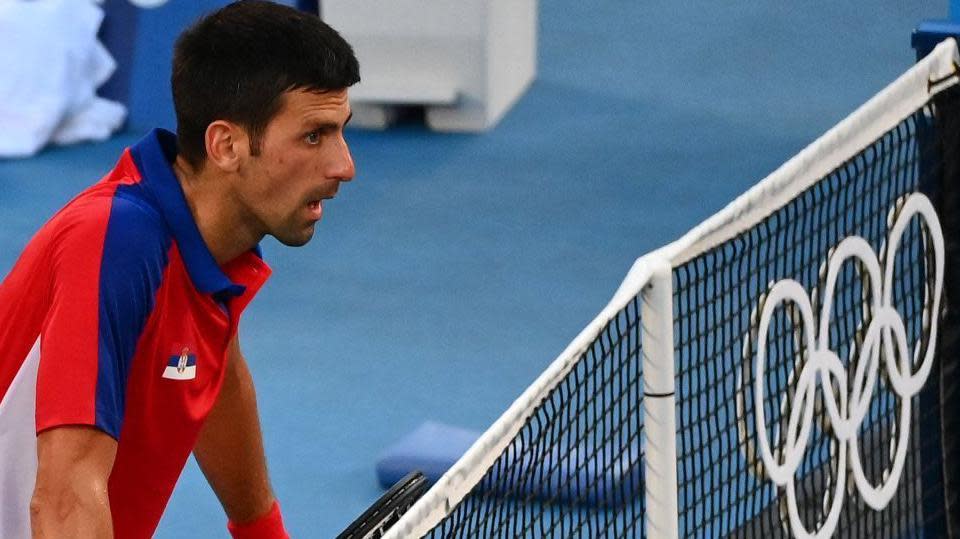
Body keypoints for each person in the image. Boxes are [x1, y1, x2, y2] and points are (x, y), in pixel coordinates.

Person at [0, 1, 359, 537]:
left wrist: (262, 532)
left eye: (340, 131)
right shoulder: (114, 240)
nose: (344, 166)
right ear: (226, 145)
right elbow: (63, 500)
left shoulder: (210, 247)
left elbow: (210, 375)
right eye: (314, 136)